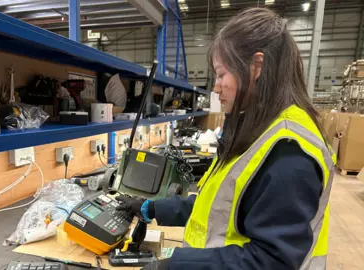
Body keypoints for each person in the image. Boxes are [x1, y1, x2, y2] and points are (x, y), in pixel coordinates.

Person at [116, 7, 335, 270]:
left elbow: (270, 260)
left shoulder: (288, 151)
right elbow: (220, 207)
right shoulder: (258, 129)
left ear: (257, 67)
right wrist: (152, 208)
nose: (216, 87)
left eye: (221, 74)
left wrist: (174, 266)